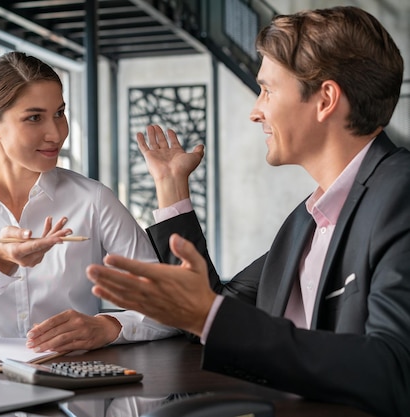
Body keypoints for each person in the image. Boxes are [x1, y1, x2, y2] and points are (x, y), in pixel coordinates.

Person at [86, 6, 409, 417]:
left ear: (325, 99)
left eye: (268, 90)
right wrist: (171, 185)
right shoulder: (305, 222)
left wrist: (209, 315)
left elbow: (394, 369)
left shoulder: (399, 194)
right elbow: (217, 306)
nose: (255, 110)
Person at [0, 51, 178, 351]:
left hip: (79, 388)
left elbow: (170, 308)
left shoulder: (93, 200)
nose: (56, 133)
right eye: (34, 118)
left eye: (59, 113)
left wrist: (107, 326)